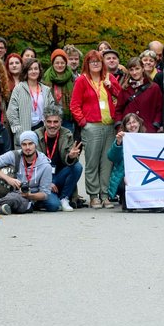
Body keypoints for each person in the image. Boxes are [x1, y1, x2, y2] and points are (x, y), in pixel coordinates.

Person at [70, 49, 123, 208]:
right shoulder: (82, 81)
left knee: (107, 162)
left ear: (102, 64)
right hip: (91, 126)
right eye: (92, 61)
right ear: (87, 63)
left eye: (98, 61)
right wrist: (83, 122)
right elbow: (74, 105)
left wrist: (111, 86)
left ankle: (105, 195)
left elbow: (121, 97)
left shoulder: (109, 77)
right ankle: (94, 195)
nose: (95, 64)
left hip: (109, 125)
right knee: (92, 162)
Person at [109, 113, 164, 212]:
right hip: (125, 176)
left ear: (139, 123)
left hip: (143, 174)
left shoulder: (146, 138)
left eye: (134, 122)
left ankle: (150, 203)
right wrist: (118, 143)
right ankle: (126, 201)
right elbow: (111, 157)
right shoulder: (121, 138)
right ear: (125, 127)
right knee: (125, 181)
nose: (132, 125)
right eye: (129, 123)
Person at [36, 106, 83, 211]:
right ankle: (46, 199)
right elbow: (34, 164)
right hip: (43, 179)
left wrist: (70, 157)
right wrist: (47, 182)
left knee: (77, 167)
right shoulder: (36, 135)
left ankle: (64, 198)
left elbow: (71, 161)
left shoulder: (67, 134)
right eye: (49, 121)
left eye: (55, 122)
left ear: (61, 122)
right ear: (44, 121)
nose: (52, 125)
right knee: (53, 206)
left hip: (59, 176)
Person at [5, 58, 55, 146]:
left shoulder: (46, 90)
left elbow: (52, 110)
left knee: (42, 156)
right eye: (30, 69)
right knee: (26, 157)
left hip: (43, 128)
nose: (33, 71)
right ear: (26, 71)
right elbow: (11, 112)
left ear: (39, 71)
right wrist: (18, 129)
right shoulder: (19, 89)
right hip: (25, 130)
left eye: (36, 69)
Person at [115, 57, 163, 132]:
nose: (134, 72)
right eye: (131, 70)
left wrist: (155, 125)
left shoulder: (154, 87)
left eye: (137, 69)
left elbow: (159, 109)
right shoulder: (125, 88)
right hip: (129, 131)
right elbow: (118, 110)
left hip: (148, 130)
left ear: (143, 69)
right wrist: (119, 126)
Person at [43, 49, 76, 130]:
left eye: (62, 63)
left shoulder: (71, 76)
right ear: (53, 64)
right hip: (51, 118)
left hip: (67, 117)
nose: (60, 65)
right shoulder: (46, 76)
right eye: (57, 63)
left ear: (66, 63)